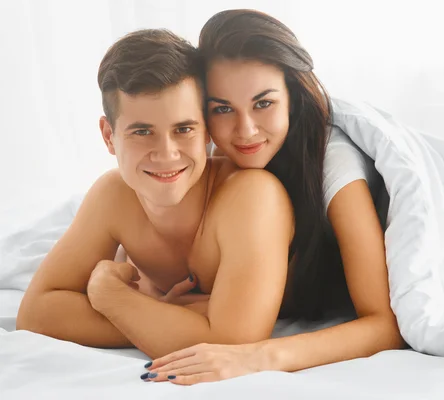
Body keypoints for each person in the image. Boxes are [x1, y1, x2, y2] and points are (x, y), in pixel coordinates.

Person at [143, 9, 403, 385]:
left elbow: (385, 325)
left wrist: (258, 357)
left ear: (293, 99)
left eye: (263, 103)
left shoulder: (333, 164)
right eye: (222, 109)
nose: (245, 130)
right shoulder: (217, 162)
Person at [16, 28, 295, 360]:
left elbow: (234, 343)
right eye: (143, 131)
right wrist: (155, 316)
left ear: (205, 129)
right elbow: (35, 314)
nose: (167, 154)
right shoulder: (113, 195)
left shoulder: (252, 196)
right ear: (109, 136)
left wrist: (111, 297)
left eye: (183, 129)